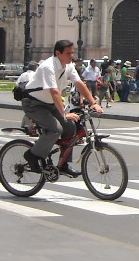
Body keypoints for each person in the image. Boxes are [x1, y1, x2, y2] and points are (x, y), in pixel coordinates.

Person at [21, 40, 103, 176]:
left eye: (72, 52)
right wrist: (65, 114)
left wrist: (93, 103)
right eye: (68, 53)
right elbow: (54, 92)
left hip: (50, 103)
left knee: (70, 127)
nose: (72, 56)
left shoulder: (68, 66)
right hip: (34, 103)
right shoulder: (48, 67)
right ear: (58, 53)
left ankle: (63, 164)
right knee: (56, 129)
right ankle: (32, 155)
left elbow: (79, 84)